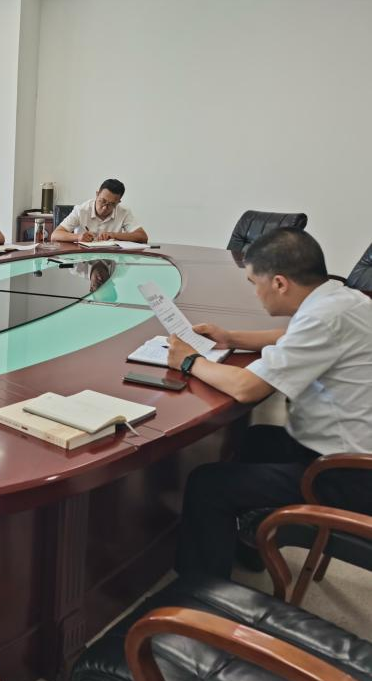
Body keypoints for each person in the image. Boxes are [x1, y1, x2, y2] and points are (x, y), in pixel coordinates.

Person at [167, 229, 372, 579]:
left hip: (346, 475)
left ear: (279, 283)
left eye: (253, 282)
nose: (254, 292)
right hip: (351, 451)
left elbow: (247, 388)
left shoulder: (323, 318)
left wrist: (189, 361)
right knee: (256, 439)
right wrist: (230, 337)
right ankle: (251, 545)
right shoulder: (343, 299)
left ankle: (200, 592)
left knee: (207, 484)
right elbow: (290, 337)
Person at [51, 179, 148, 243]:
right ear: (97, 194)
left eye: (111, 204)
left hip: (112, 258)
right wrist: (78, 237)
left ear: (118, 202)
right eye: (103, 201)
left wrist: (113, 235)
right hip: (83, 258)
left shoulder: (124, 212)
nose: (105, 208)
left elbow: (142, 237)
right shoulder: (81, 210)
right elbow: (55, 235)